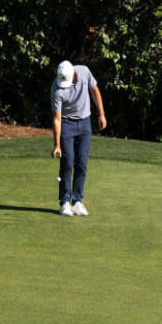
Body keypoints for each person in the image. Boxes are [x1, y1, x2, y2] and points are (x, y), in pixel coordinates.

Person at [50, 60, 106, 216]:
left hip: (85, 123)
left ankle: (77, 202)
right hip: (67, 124)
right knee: (67, 162)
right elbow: (57, 119)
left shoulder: (84, 72)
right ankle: (64, 202)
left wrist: (101, 114)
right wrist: (56, 145)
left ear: (74, 74)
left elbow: (94, 90)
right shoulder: (56, 88)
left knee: (81, 163)